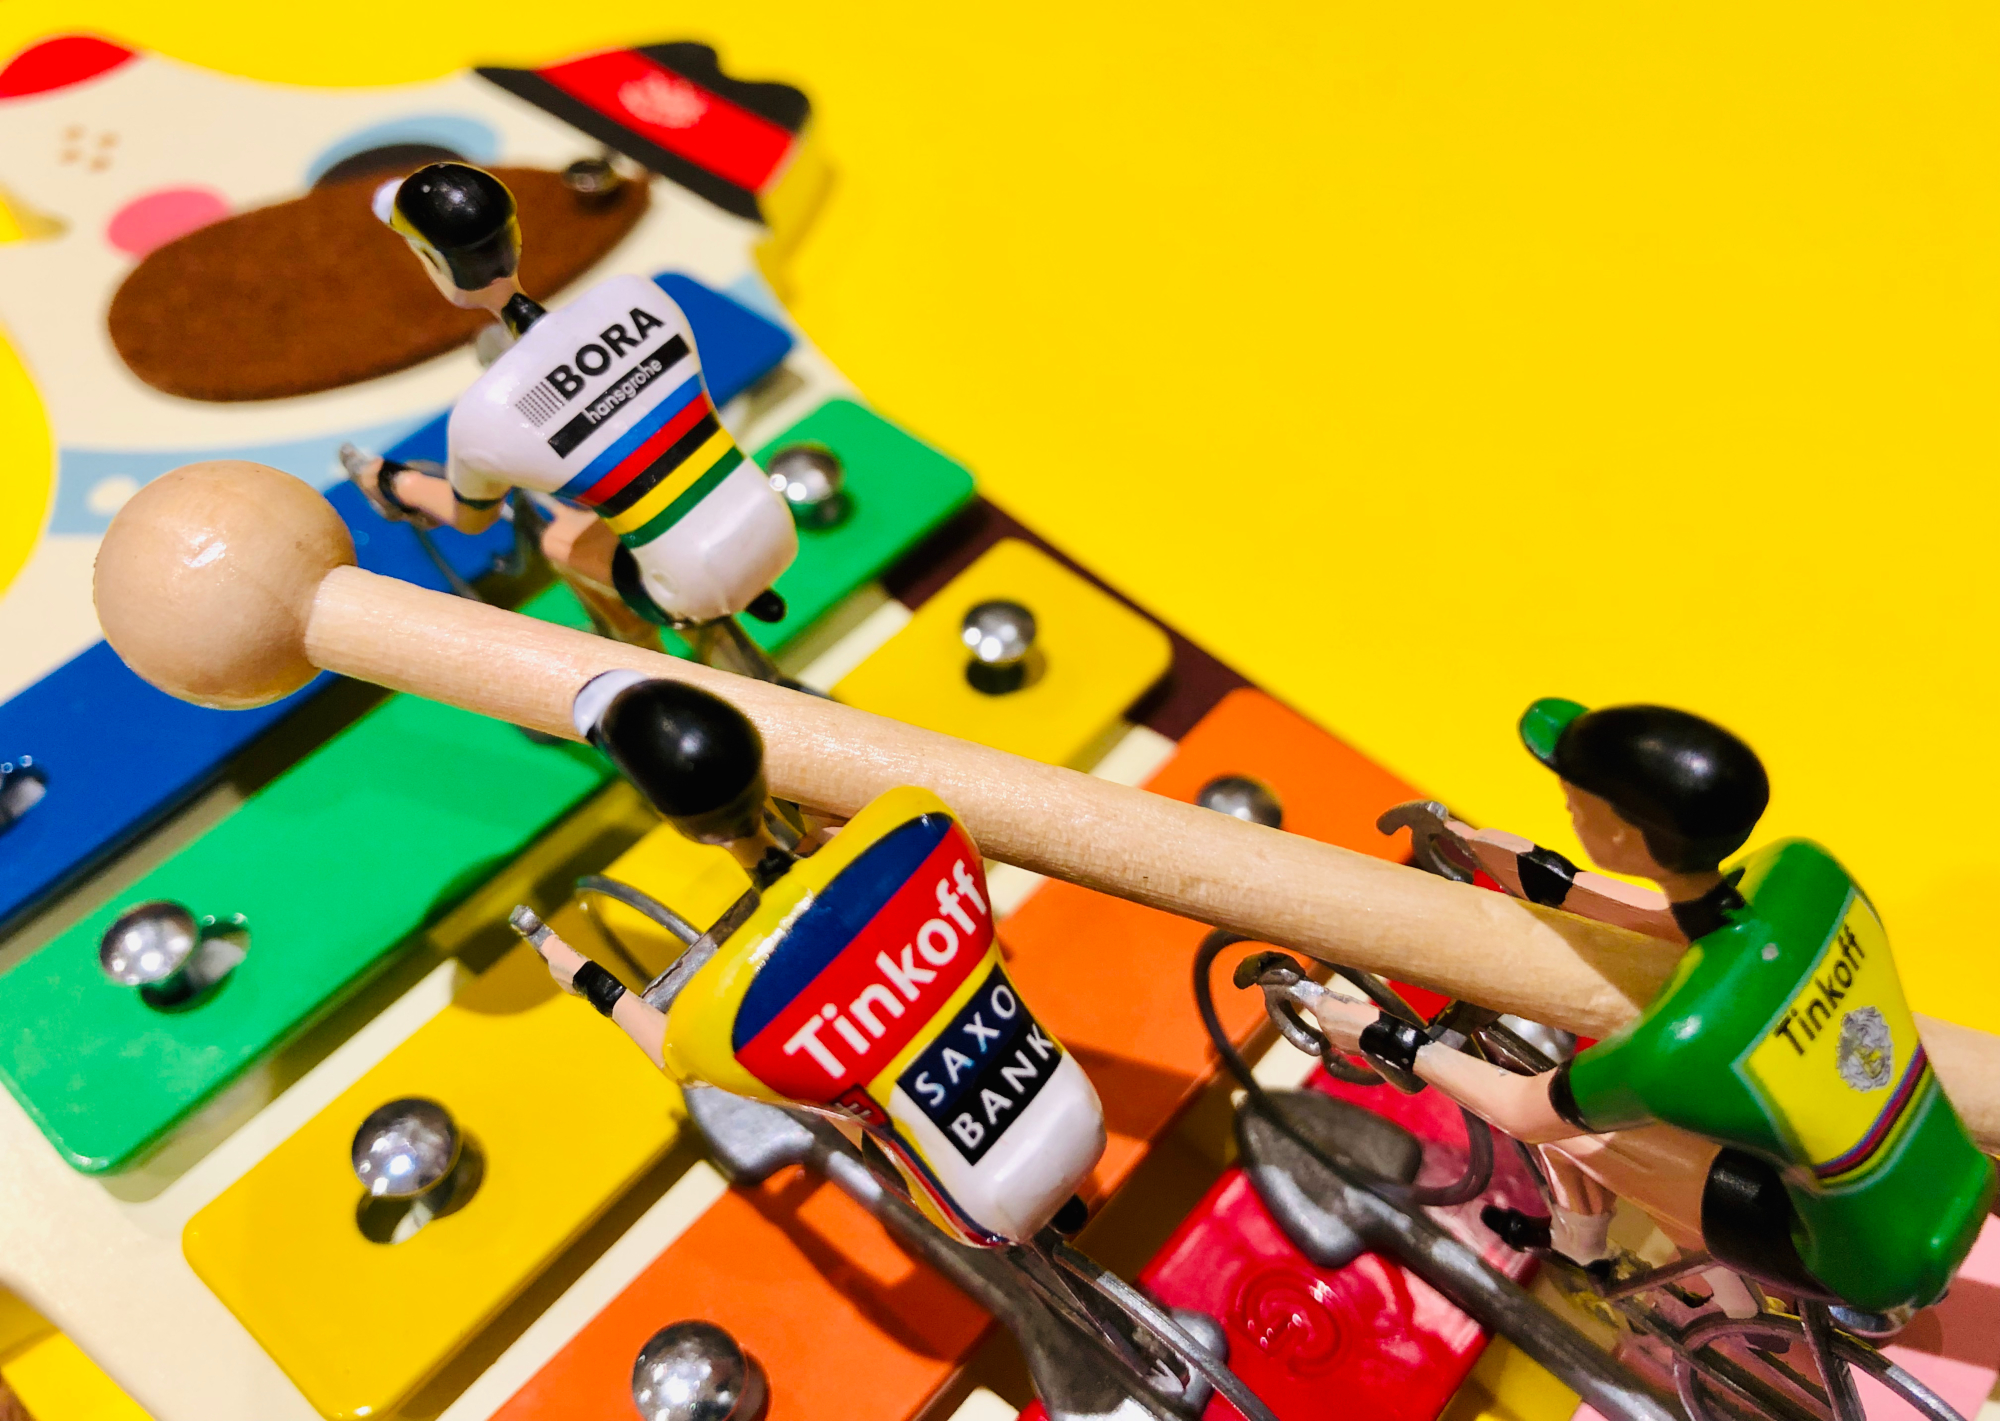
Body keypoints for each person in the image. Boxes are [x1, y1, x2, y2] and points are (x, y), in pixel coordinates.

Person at [1300, 700, 1995, 1319]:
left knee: (1577, 1135)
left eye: (1574, 807)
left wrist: (1386, 1037)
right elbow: (1685, 922)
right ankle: (1654, 1257)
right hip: (1954, 1169)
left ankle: (1598, 1252)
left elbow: (1519, 1108)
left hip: (1859, 1260)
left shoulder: (1679, 1046)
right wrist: (1550, 879)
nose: (1570, 812)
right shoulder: (1809, 871)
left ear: (1625, 838)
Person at [345, 162, 797, 667]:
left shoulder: (483, 414)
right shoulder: (636, 295)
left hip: (695, 581)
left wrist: (394, 482)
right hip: (773, 521)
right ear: (515, 235)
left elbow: (471, 519)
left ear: (433, 262)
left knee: (560, 541)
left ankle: (646, 656)